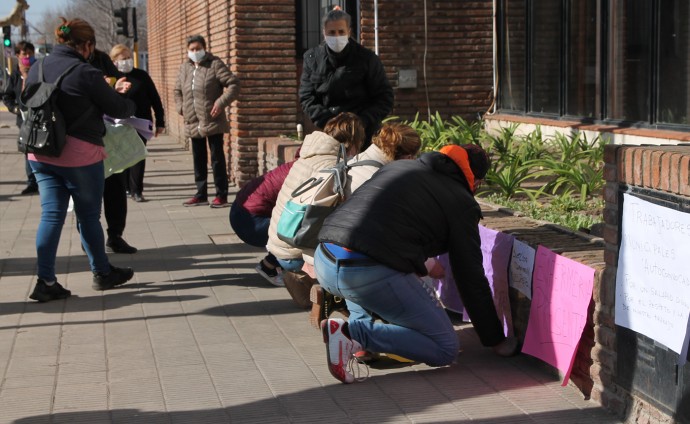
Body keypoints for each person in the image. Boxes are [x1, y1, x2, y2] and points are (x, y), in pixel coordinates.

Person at [313, 144, 519, 383]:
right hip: (366, 272)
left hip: (326, 258)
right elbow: (469, 275)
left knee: (369, 277)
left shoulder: (400, 167)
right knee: (445, 348)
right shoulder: (462, 202)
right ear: (476, 180)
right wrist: (495, 338)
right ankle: (352, 334)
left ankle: (360, 343)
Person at [26, 17, 137, 302]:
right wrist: (124, 95)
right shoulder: (84, 71)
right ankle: (101, 273)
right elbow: (118, 108)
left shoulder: (37, 67)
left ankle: (45, 280)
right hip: (78, 155)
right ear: (86, 45)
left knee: (51, 215)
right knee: (88, 216)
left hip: (40, 152)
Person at [304, 122, 422, 323]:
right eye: (414, 156)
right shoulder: (379, 179)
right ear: (406, 155)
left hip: (320, 255)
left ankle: (342, 307)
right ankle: (360, 332)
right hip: (346, 264)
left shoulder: (355, 161)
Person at [266, 113, 365, 285]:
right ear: (354, 141)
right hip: (294, 254)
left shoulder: (310, 155)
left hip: (278, 245)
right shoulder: (331, 166)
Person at [299, 7, 394, 149]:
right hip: (329, 133)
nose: (336, 36)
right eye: (332, 32)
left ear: (349, 32)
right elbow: (307, 97)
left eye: (341, 32)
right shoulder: (312, 59)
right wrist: (330, 123)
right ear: (324, 33)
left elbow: (384, 97)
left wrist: (361, 122)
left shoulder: (367, 59)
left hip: (365, 135)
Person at [174, 34, 239, 208]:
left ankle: (221, 195)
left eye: (198, 49)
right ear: (187, 51)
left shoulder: (215, 64)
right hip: (193, 121)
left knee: (217, 158)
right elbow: (177, 90)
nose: (195, 52)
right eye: (192, 49)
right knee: (198, 158)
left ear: (204, 48)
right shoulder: (184, 68)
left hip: (212, 119)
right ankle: (201, 194)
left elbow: (233, 84)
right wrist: (180, 107)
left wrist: (220, 102)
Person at [86, 42, 137, 254]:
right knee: (89, 192)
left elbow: (118, 88)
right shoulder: (70, 65)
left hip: (109, 134)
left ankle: (115, 235)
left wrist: (117, 89)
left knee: (116, 187)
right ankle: (88, 238)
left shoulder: (101, 60)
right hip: (84, 137)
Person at [109, 44, 165, 203]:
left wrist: (160, 121)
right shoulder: (112, 78)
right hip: (118, 124)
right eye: (122, 58)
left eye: (128, 57)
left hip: (140, 122)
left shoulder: (141, 76)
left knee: (138, 155)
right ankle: (124, 187)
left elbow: (155, 99)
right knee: (122, 155)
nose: (126, 61)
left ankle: (137, 191)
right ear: (114, 61)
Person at [229, 159, 297, 286]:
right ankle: (268, 266)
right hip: (249, 222)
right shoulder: (309, 172)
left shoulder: (300, 163)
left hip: (239, 210)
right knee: (300, 227)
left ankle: (280, 264)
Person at [2, 40, 38, 195]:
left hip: (40, 116)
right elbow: (7, 95)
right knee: (28, 150)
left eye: (30, 53)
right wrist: (15, 108)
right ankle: (32, 182)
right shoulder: (15, 74)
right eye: (24, 54)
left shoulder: (39, 70)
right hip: (23, 120)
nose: (27, 56)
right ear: (18, 56)